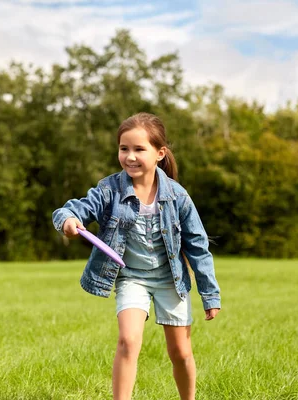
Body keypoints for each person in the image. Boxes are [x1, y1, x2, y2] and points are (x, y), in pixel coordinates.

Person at [52, 112, 221, 400]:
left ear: (159, 153)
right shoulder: (109, 190)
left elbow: (197, 245)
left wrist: (210, 294)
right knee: (128, 341)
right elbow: (73, 209)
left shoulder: (177, 196)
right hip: (132, 278)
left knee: (180, 352)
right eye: (124, 148)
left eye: (139, 149)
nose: (130, 156)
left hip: (171, 280)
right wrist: (68, 220)